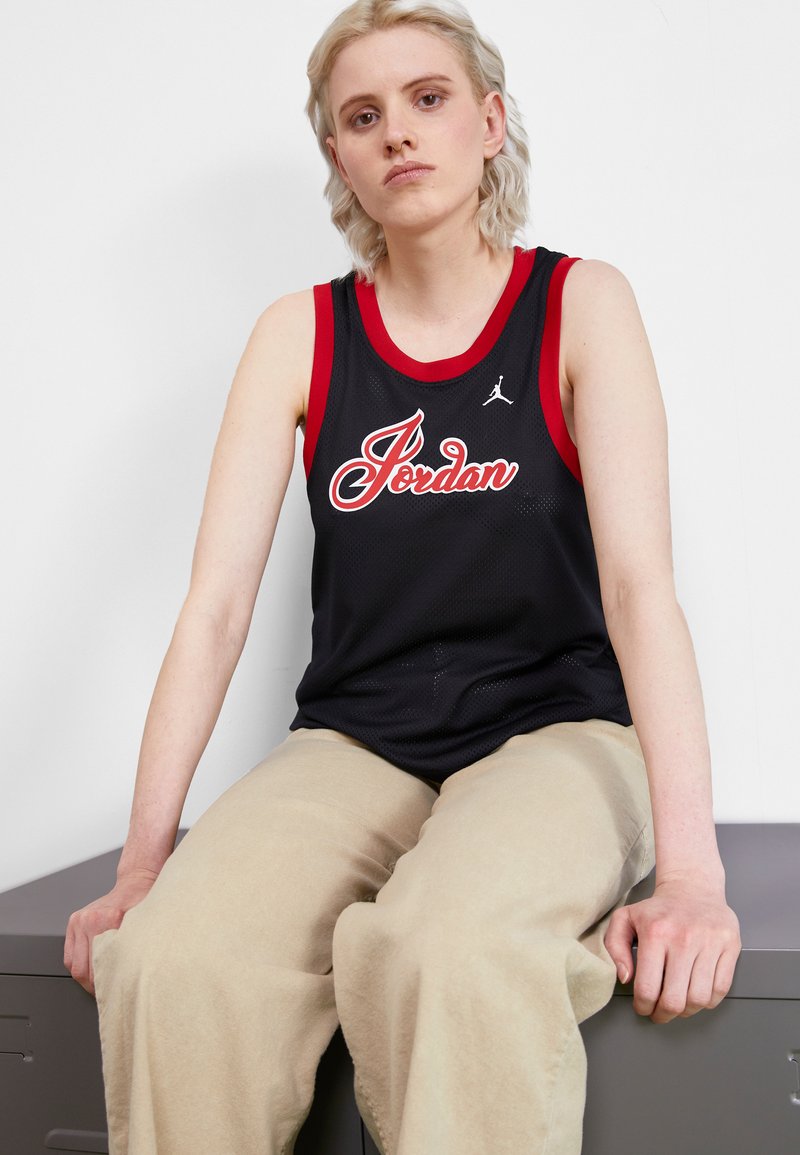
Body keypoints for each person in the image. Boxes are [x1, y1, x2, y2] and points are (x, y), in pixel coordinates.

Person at [64, 0, 742, 1152]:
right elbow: (215, 609)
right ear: (336, 156)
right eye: (362, 116)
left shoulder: (579, 304)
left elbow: (637, 590)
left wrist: (688, 871)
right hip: (359, 739)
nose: (397, 134)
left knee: (442, 950)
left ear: (487, 121)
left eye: (426, 100)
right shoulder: (300, 332)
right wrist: (142, 869)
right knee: (174, 962)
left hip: (558, 731)